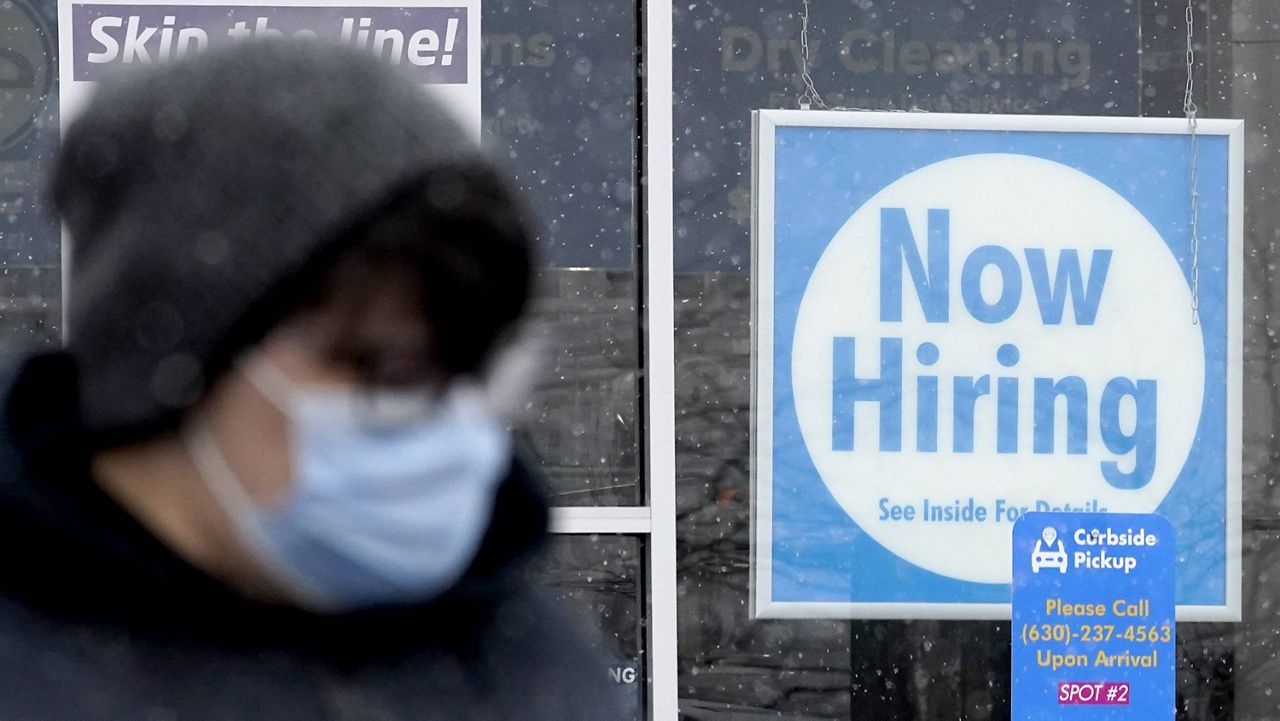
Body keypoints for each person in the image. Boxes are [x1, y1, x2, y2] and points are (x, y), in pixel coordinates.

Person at [0, 38, 625, 719]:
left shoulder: (523, 660)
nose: (451, 430)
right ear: (179, 359)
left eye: (476, 374)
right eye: (389, 369)